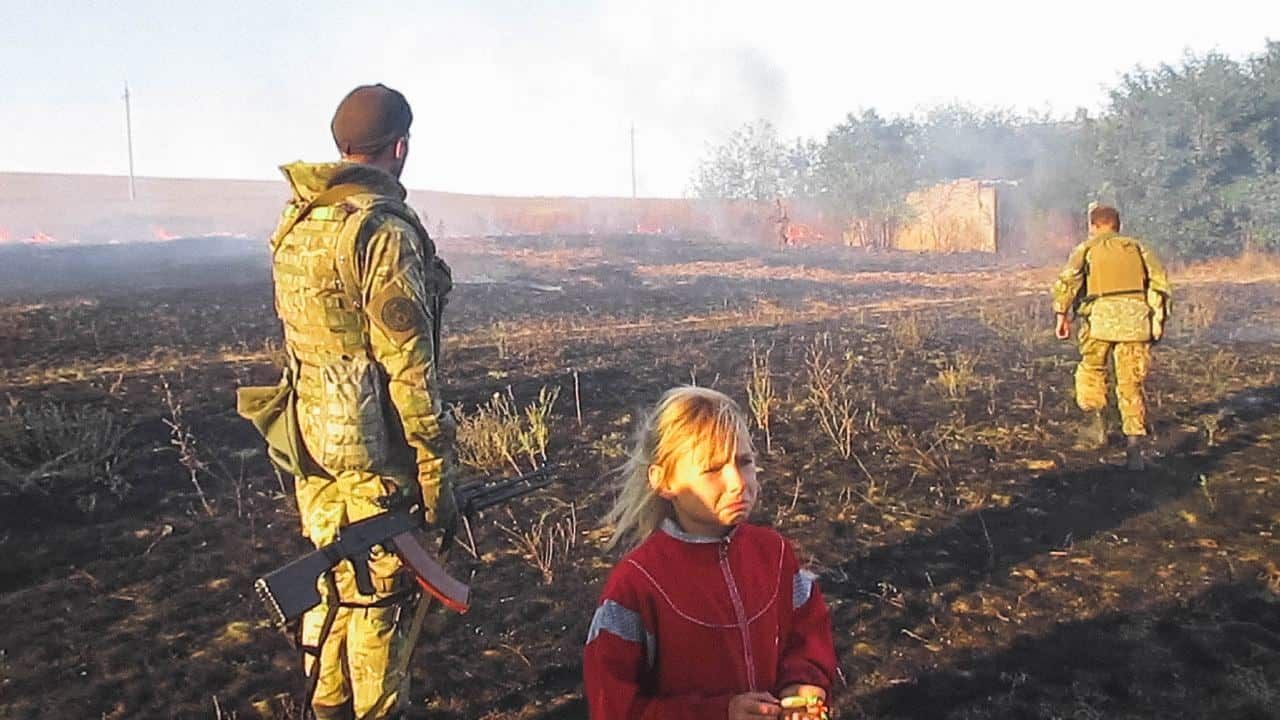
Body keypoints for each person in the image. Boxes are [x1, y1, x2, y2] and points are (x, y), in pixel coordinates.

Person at [269, 83, 453, 719]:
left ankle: (326, 705)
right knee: (381, 593)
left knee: (329, 574)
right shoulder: (381, 231)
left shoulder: (300, 220)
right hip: (375, 447)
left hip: (310, 435)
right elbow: (411, 370)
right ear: (399, 147)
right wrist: (436, 477)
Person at [584, 387, 838, 719]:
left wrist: (803, 684)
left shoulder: (774, 554)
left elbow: (807, 633)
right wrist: (719, 713)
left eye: (744, 462)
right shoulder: (636, 586)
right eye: (712, 469)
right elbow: (614, 707)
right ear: (663, 480)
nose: (738, 482)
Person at [1052, 204, 1171, 471]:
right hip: (1135, 322)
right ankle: (1134, 449)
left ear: (1094, 226)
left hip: (1100, 321)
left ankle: (1097, 427)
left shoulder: (1087, 248)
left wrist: (1061, 315)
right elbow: (1160, 285)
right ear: (1118, 225)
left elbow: (1068, 281)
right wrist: (1157, 322)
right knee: (1131, 383)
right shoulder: (1139, 248)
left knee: (1092, 370)